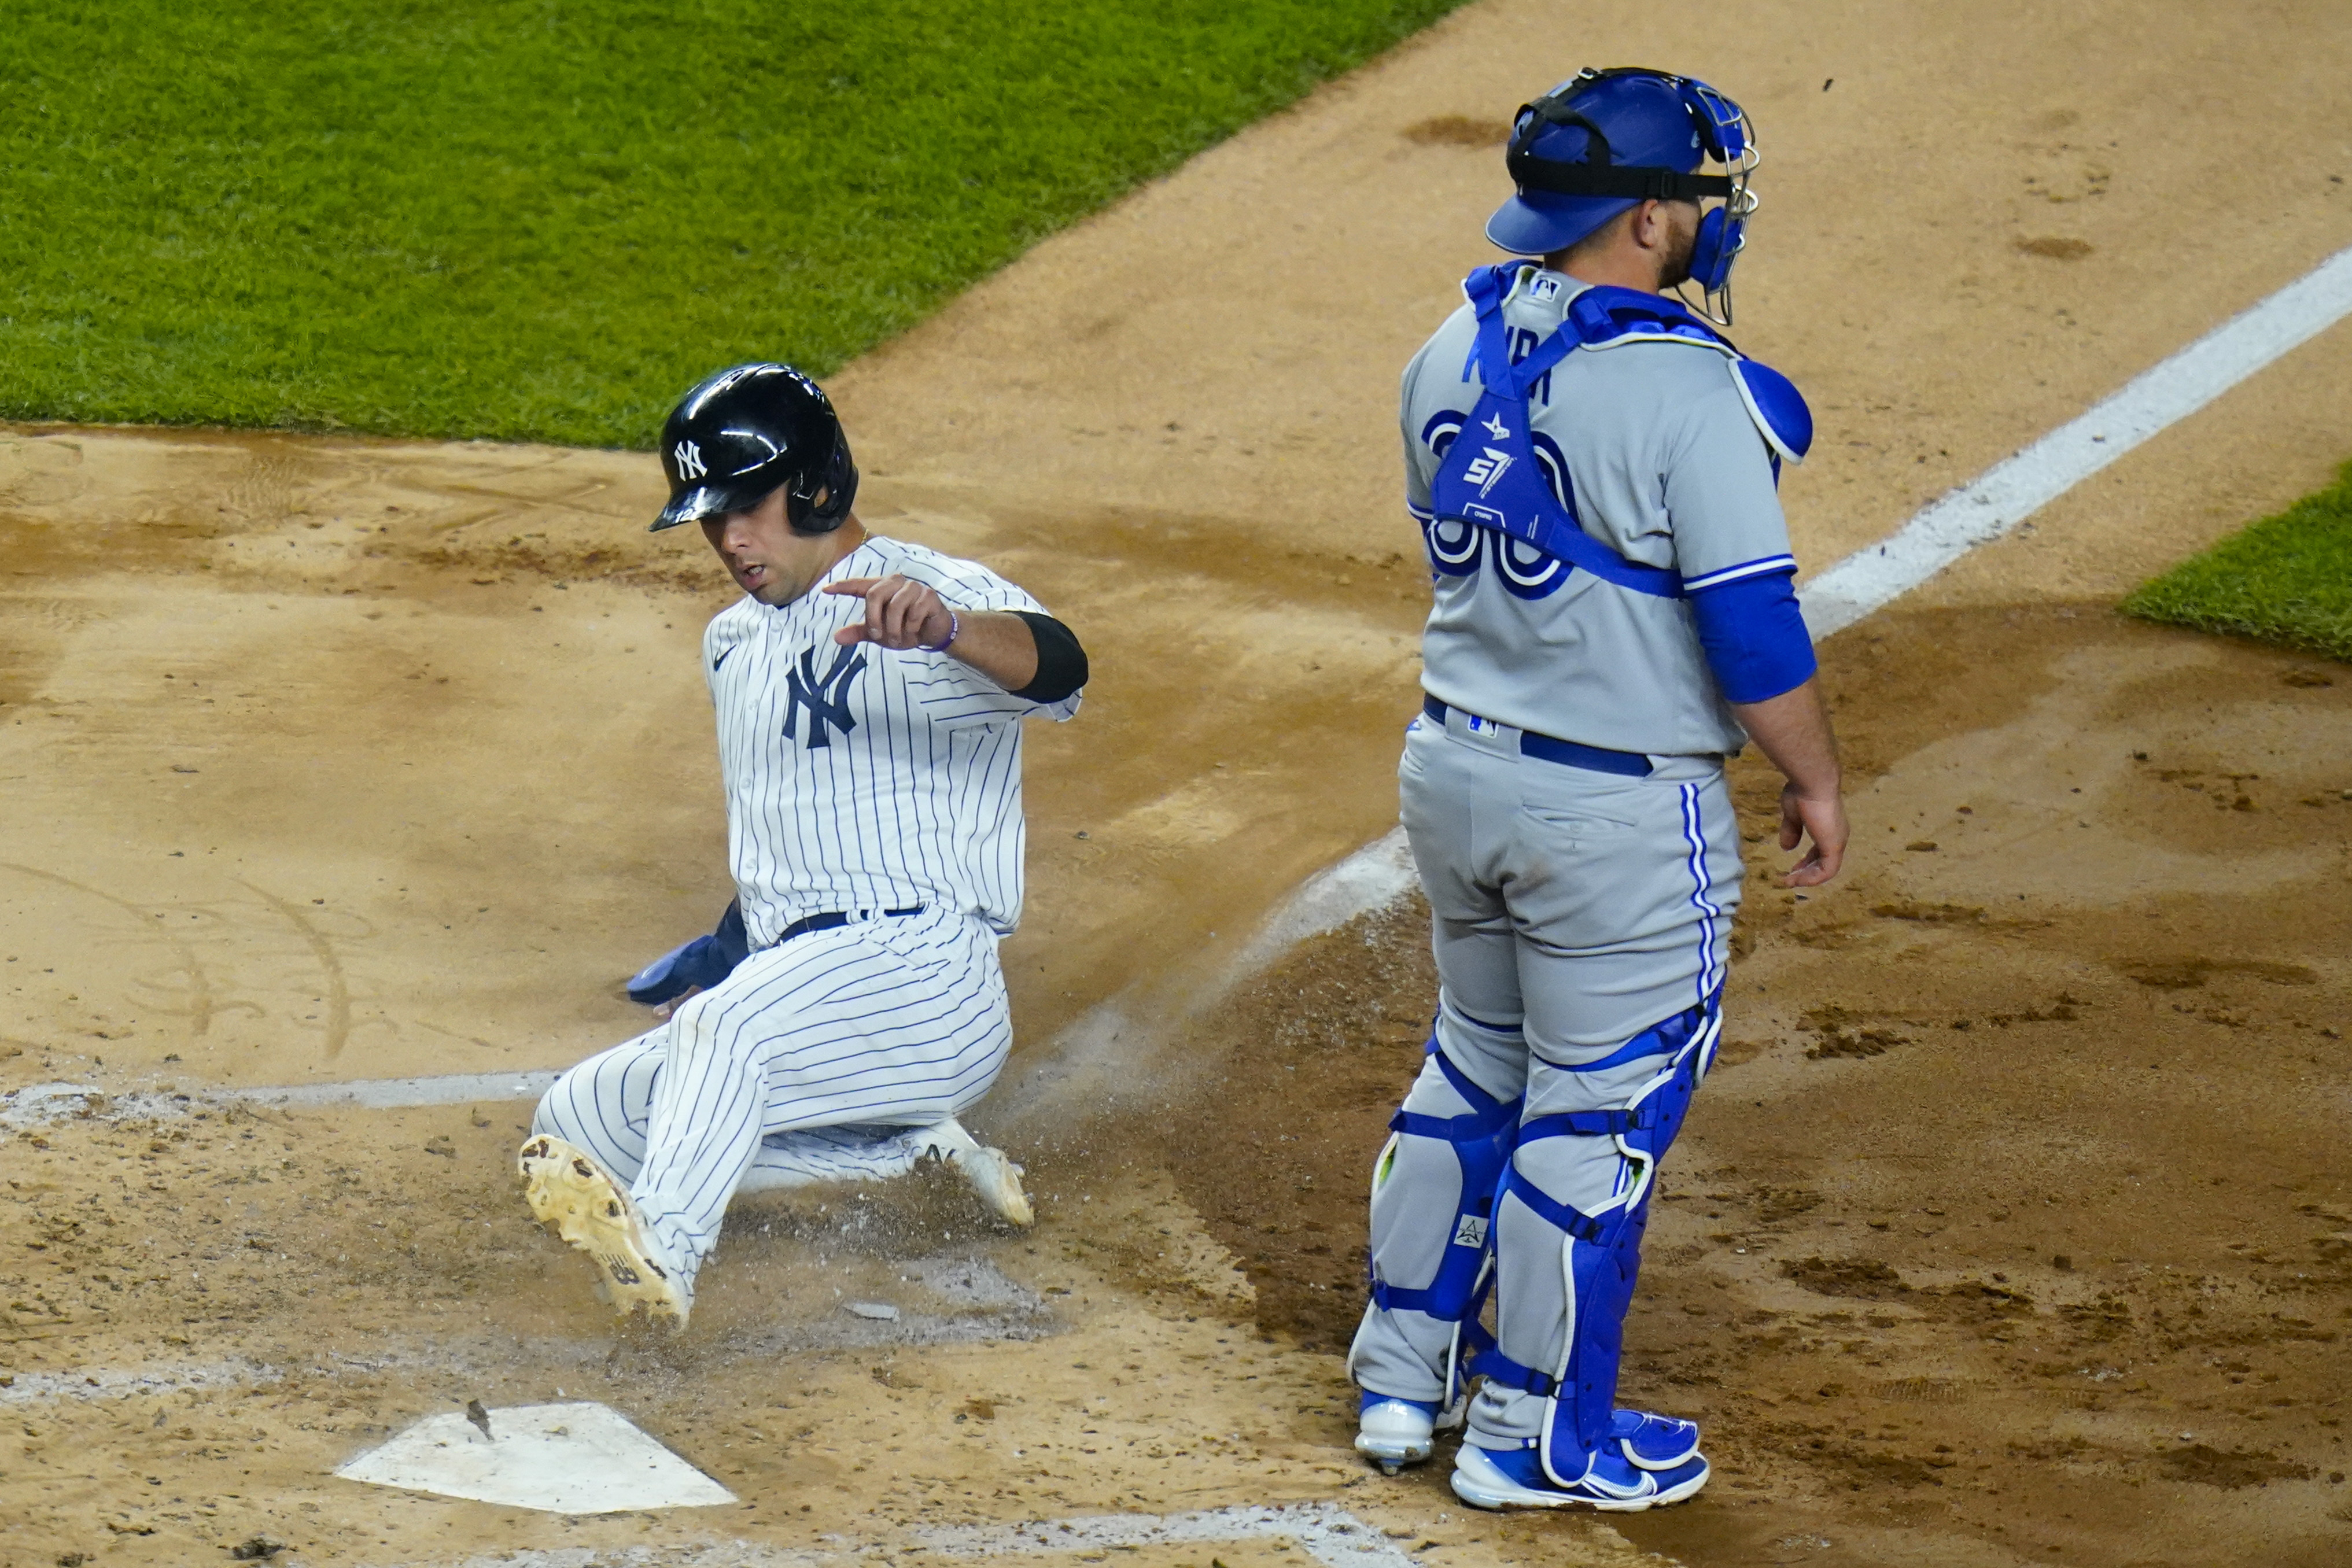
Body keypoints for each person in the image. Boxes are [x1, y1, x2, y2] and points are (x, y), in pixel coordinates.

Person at [1346, 68, 1848, 1510]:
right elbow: (1750, 632)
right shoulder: (1686, 388)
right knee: (1597, 1113)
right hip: (1612, 819)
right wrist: (1810, 777)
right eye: (1699, 201)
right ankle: (1530, 1437)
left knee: (1474, 1067)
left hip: (1452, 773)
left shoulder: (1445, 346)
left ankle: (1399, 1376)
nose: (1714, 222)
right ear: (1643, 220)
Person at [518, 363, 1087, 1330]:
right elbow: (795, 822)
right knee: (580, 1121)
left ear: (817, 485)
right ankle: (915, 1156)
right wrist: (731, 953)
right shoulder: (731, 642)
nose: (730, 538)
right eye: (711, 517)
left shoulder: (932, 593)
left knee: (720, 1038)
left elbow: (1061, 669)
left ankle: (665, 1254)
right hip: (809, 973)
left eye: (749, 505)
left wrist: (948, 630)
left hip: (924, 973)